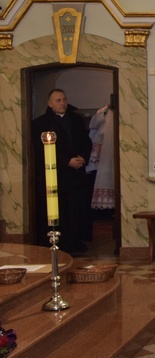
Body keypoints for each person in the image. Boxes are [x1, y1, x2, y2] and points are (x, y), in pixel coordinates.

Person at [32, 88, 92, 253]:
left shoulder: (76, 120)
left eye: (64, 99)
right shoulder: (40, 124)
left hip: (76, 176)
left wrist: (82, 158)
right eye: (58, 100)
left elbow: (86, 142)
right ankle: (60, 243)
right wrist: (67, 162)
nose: (62, 103)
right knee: (60, 211)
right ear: (49, 103)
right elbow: (41, 150)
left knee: (75, 211)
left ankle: (76, 242)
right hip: (57, 175)